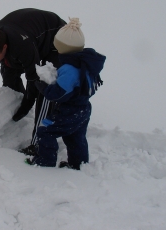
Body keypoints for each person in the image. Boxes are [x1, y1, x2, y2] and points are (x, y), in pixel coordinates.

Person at [0, 8, 67, 155]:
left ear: (4, 47)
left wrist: (26, 105)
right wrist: (16, 101)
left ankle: (39, 144)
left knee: (45, 86)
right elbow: (8, 72)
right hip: (30, 36)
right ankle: (18, 110)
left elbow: (34, 79)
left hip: (56, 38)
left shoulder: (23, 45)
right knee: (9, 73)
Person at [25, 18, 106, 169]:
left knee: (45, 130)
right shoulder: (84, 62)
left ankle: (45, 162)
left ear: (59, 46)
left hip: (70, 110)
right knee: (75, 137)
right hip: (83, 108)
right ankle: (78, 164)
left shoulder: (69, 69)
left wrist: (42, 85)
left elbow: (57, 94)